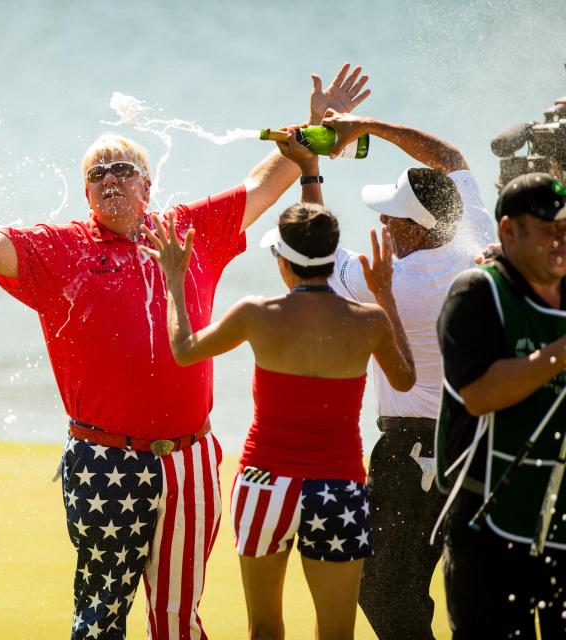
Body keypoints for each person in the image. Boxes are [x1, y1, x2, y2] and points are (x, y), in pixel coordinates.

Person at [0, 65, 370, 640]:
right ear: (87, 193)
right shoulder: (60, 251)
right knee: (99, 622)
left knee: (178, 621)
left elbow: (263, 185)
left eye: (122, 169)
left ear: (147, 186)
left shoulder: (185, 231)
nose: (109, 180)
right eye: (96, 174)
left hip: (191, 461)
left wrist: (314, 127)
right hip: (104, 462)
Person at [140, 130, 415, 640]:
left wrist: (174, 280)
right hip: (339, 486)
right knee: (337, 634)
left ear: (283, 261)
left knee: (264, 629)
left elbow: (183, 351)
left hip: (265, 485)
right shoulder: (369, 320)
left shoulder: (256, 315)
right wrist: (386, 296)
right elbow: (405, 378)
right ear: (334, 258)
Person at [315, 111, 495, 639]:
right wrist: (369, 125)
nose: (384, 225)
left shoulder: (396, 284)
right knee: (466, 581)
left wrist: (311, 167)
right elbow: (453, 161)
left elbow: (316, 251)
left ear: (417, 228)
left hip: (412, 453)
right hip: (478, 441)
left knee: (384, 587)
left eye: (393, 218)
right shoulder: (475, 238)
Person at [436, 172, 566, 638]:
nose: (561, 239)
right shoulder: (478, 292)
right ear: (509, 231)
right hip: (488, 528)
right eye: (550, 228)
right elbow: (480, 394)